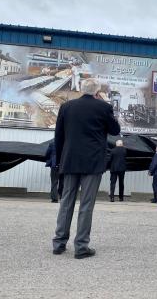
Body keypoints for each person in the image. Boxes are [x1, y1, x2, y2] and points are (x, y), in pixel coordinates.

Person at [52, 78, 120, 259]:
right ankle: (81, 246)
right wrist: (105, 104)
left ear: (81, 89)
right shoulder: (103, 107)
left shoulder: (67, 107)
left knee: (66, 202)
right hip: (92, 162)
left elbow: (58, 136)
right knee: (86, 205)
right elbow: (115, 130)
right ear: (97, 92)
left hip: (70, 161)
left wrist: (59, 162)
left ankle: (59, 243)